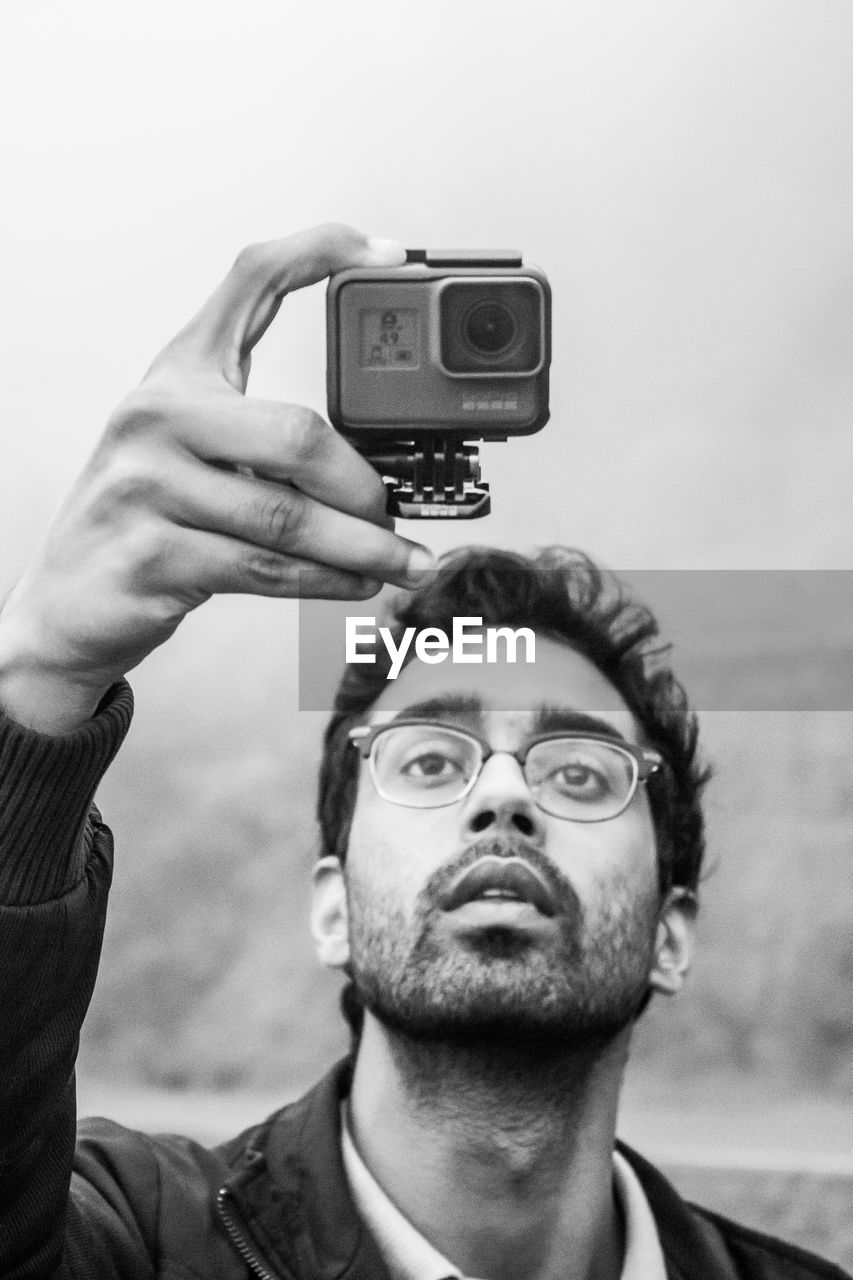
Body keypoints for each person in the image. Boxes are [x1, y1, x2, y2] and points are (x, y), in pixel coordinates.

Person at [0, 224, 847, 1280]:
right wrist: (34, 677)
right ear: (330, 906)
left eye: (578, 771)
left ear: (675, 932)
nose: (502, 794)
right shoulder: (133, 1241)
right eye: (430, 760)